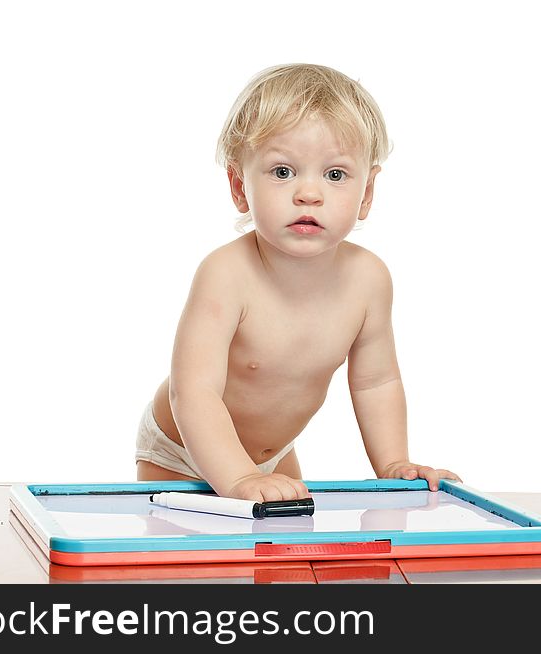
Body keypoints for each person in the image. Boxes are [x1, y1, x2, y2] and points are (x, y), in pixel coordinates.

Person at [135, 63, 461, 502]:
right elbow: (192, 390)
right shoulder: (226, 274)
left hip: (275, 452)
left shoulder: (368, 279)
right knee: (185, 556)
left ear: (366, 194)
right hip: (182, 448)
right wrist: (237, 479)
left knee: (283, 554)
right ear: (238, 185)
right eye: (283, 172)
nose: (309, 193)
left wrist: (393, 464)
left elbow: (376, 382)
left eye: (335, 174)